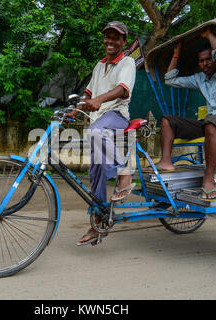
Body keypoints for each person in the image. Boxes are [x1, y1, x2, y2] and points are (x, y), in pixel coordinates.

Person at [147, 28, 216, 201]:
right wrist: (176, 54)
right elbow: (170, 79)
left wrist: (210, 35)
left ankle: (208, 178)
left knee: (212, 124)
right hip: (212, 122)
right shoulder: (200, 78)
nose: (205, 64)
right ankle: (166, 161)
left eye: (209, 59)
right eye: (201, 61)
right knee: (167, 120)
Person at [65, 21, 136, 245]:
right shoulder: (99, 66)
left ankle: (125, 172)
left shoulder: (128, 62)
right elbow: (88, 95)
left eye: (116, 37)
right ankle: (99, 221)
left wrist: (99, 99)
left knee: (94, 132)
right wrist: (74, 111)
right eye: (107, 37)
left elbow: (122, 89)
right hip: (98, 119)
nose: (110, 41)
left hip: (116, 115)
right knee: (95, 173)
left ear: (124, 42)